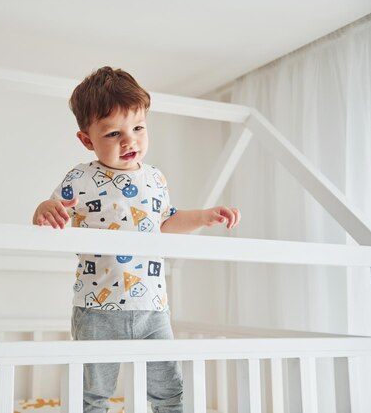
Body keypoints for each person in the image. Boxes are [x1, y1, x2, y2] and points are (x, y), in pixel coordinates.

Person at [32, 66, 240, 413]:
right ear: (87, 139)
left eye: (138, 128)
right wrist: (46, 208)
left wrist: (204, 216)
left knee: (169, 390)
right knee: (93, 394)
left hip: (153, 307)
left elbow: (166, 221)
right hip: (97, 307)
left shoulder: (155, 178)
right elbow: (54, 209)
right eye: (113, 133)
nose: (130, 141)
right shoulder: (82, 177)